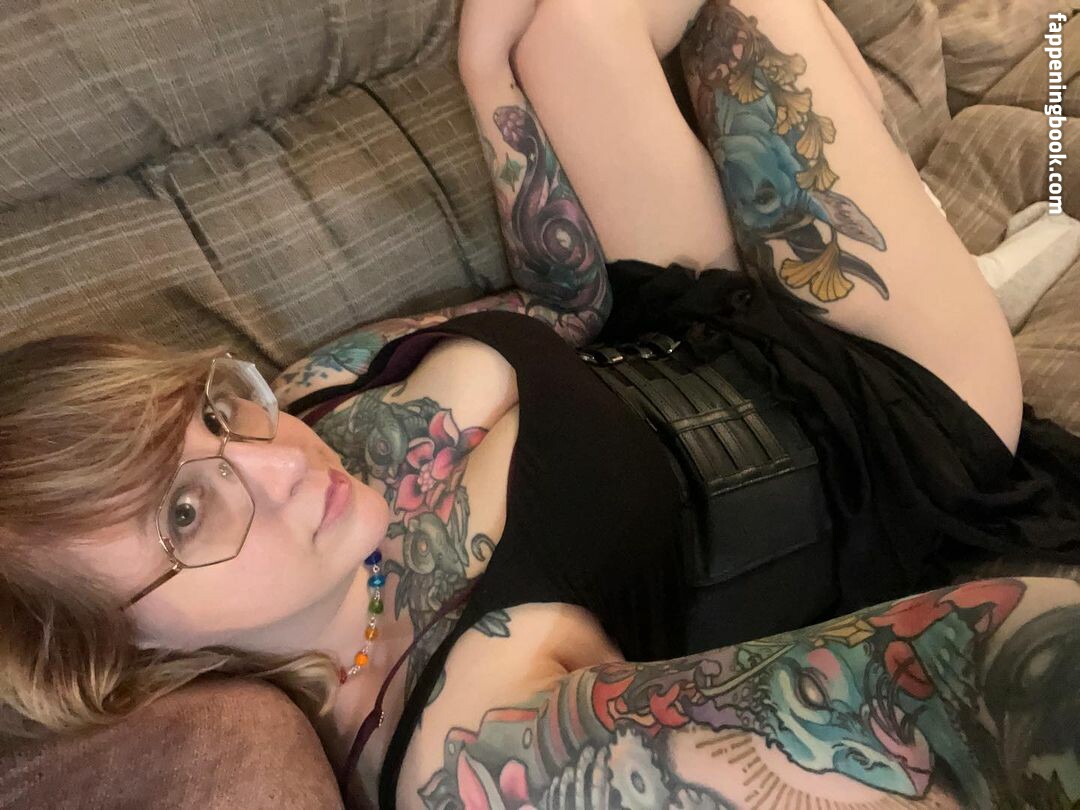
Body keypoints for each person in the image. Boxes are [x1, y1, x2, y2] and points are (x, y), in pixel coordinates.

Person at [1, 1, 1078, 808]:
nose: (277, 459)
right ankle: (944, 255)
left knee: (568, 19)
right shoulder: (466, 738)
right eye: (186, 513)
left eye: (210, 413)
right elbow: (987, 682)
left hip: (691, 318)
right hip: (891, 421)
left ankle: (916, 206)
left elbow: (567, 304)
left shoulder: (300, 405)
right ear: (117, 657)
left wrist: (483, 71)